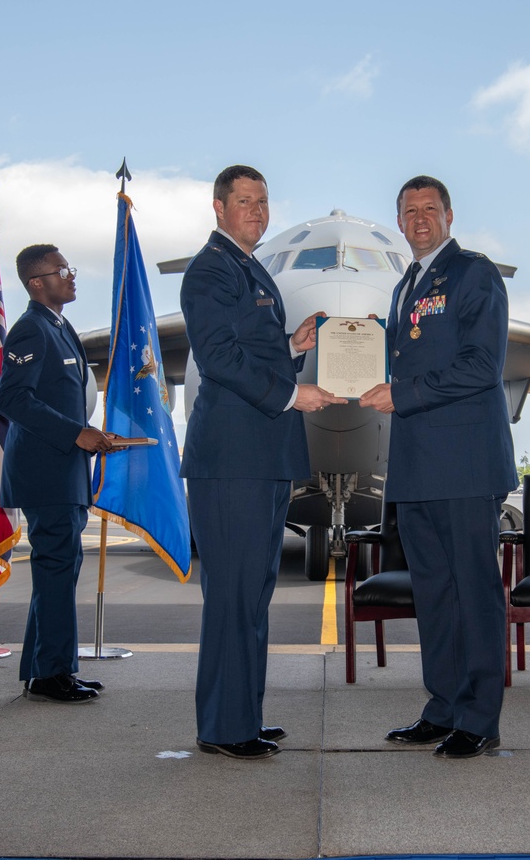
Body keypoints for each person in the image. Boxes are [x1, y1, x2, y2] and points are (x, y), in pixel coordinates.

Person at [180, 165, 346, 759]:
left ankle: (242, 714)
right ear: (219, 208)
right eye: (244, 201)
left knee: (253, 594)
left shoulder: (250, 271)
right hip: (233, 460)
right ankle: (225, 727)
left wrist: (290, 347)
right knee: (232, 595)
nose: (256, 211)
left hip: (263, 456)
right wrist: (291, 393)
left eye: (263, 201)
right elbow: (219, 357)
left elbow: (251, 348)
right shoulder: (210, 271)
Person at [360, 175, 517, 758]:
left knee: (474, 594)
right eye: (410, 211)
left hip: (466, 465)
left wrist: (403, 394)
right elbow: (403, 358)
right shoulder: (406, 285)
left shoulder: (475, 274)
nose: (420, 219)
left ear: (449, 214)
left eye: (430, 209)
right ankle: (444, 706)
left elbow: (482, 365)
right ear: (398, 221)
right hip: (418, 466)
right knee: (434, 595)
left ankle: (480, 719)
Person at [0, 244, 119, 703]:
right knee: (56, 571)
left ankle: (46, 669)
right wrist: (76, 434)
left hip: (64, 471)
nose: (72, 275)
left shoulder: (60, 326)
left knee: (59, 573)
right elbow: (12, 399)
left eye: (70, 266)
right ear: (37, 283)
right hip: (46, 474)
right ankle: (52, 675)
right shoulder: (31, 330)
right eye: (62, 270)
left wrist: (89, 435)